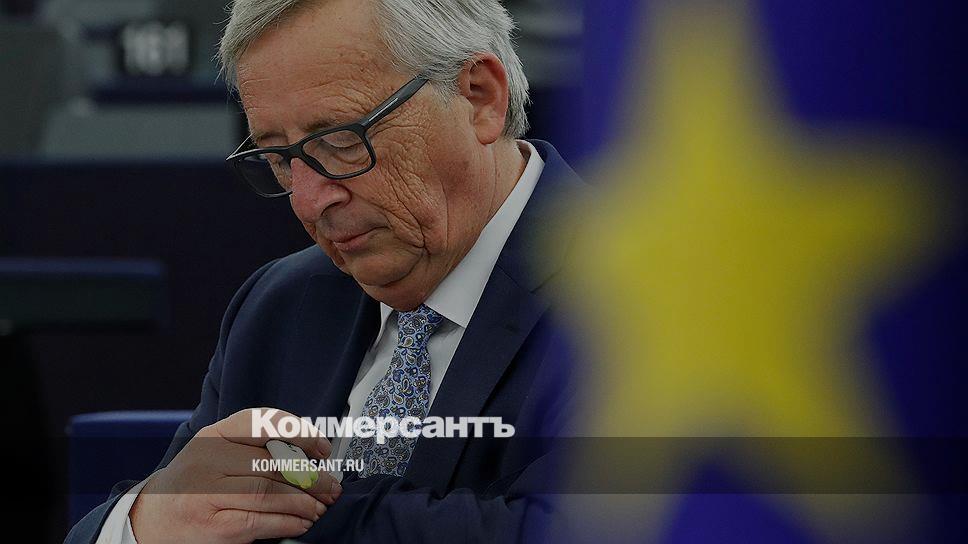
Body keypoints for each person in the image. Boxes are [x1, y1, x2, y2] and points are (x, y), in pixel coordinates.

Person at [67, 0, 586, 542]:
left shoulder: (629, 298)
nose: (309, 201)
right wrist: (144, 523)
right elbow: (187, 507)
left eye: (341, 141)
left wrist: (284, 515)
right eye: (278, 158)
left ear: (479, 98)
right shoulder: (277, 306)